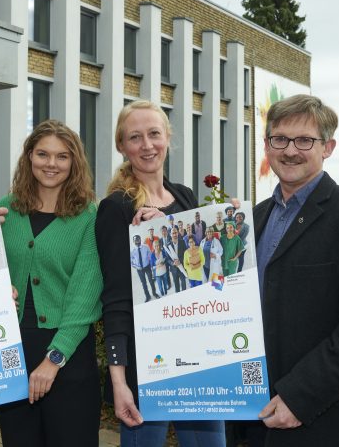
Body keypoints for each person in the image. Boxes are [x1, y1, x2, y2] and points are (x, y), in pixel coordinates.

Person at [246, 94, 339, 446]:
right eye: (279, 139)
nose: (290, 151)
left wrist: (299, 397)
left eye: (304, 140)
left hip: (320, 420)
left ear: (328, 147)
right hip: (254, 417)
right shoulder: (253, 219)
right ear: (267, 144)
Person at [96, 100, 225, 446]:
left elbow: (201, 272)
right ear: (122, 146)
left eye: (154, 134)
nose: (147, 145)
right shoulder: (117, 209)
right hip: (148, 366)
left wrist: (224, 228)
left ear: (168, 137)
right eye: (135, 137)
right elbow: (117, 300)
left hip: (198, 356)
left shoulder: (184, 197)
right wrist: (120, 382)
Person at [0, 119, 103, 447]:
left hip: (67, 356)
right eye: (43, 154)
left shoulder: (88, 216)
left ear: (74, 162)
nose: (51, 164)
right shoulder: (6, 209)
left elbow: (84, 296)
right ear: (29, 157)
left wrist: (53, 359)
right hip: (13, 351)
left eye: (62, 156)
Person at [130, 234, 156, 302]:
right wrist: (137, 267)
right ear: (133, 241)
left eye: (138, 239)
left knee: (151, 281)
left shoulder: (146, 247)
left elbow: (150, 257)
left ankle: (154, 293)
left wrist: (151, 266)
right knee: (144, 283)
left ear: (140, 239)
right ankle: (148, 296)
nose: (137, 241)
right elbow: (131, 262)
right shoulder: (132, 251)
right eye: (135, 240)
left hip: (147, 267)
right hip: (139, 269)